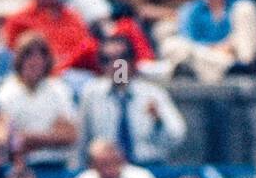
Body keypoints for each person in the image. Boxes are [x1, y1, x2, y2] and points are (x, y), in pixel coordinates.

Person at [77, 32, 186, 165]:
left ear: (132, 60)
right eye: (107, 59)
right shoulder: (92, 94)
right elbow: (82, 141)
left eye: (120, 58)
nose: (115, 65)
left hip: (149, 166)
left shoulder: (153, 93)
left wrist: (158, 121)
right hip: (107, 170)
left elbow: (177, 137)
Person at [0, 31, 77, 178]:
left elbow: (70, 135)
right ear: (19, 59)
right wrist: (51, 136)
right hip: (21, 172)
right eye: (28, 56)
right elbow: (5, 139)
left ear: (47, 60)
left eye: (40, 56)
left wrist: (29, 138)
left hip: (58, 167)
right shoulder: (4, 93)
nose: (34, 62)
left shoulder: (59, 89)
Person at [0, 0, 98, 77]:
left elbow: (86, 48)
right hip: (40, 76)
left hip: (76, 72)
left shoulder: (73, 16)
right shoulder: (18, 20)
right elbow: (12, 56)